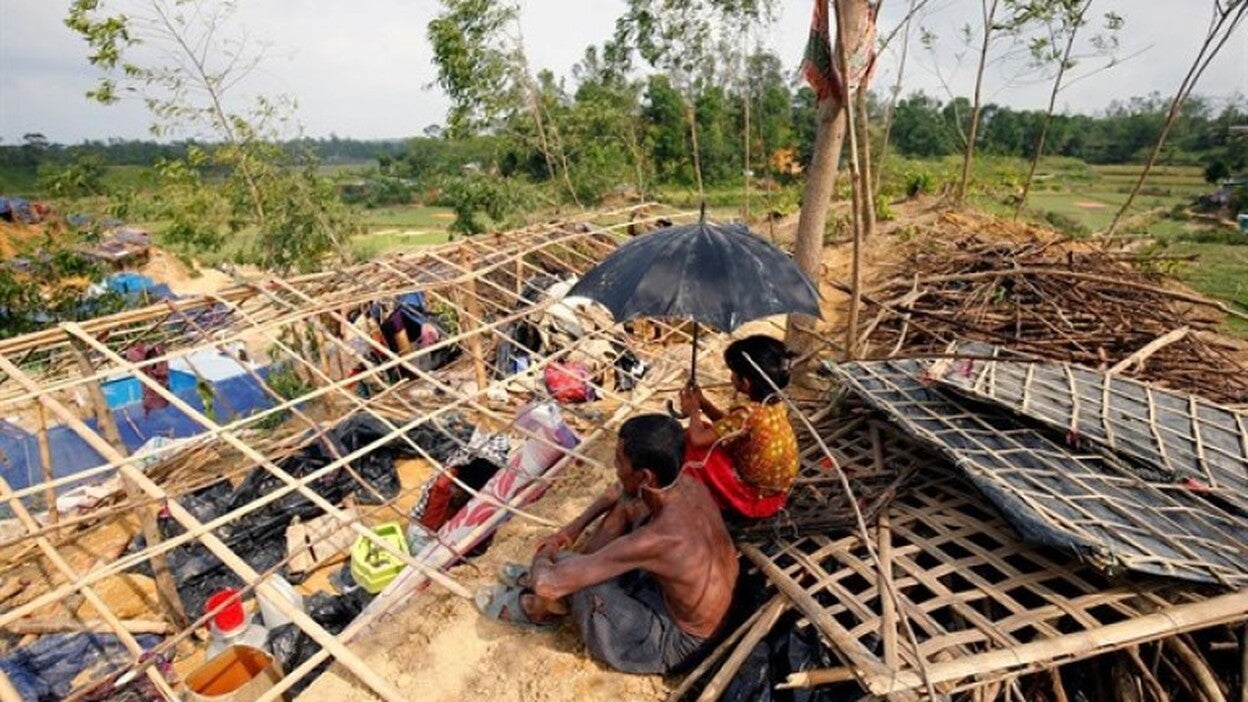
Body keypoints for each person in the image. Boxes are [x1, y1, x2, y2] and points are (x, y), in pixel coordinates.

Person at [475, 414, 738, 675]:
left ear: (646, 476)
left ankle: (539, 610)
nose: (615, 467)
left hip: (677, 641)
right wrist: (572, 529)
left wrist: (549, 550)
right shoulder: (689, 486)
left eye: (619, 461)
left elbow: (547, 584)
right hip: (685, 601)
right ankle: (564, 576)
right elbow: (622, 493)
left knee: (575, 578)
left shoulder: (660, 537)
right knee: (629, 503)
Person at [679, 335, 799, 520]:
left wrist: (693, 410)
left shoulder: (747, 413)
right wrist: (703, 403)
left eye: (734, 373)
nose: (731, 377)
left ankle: (696, 501)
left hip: (753, 499)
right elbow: (728, 426)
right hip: (776, 496)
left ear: (745, 383)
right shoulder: (771, 406)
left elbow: (698, 439)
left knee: (691, 444)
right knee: (703, 428)